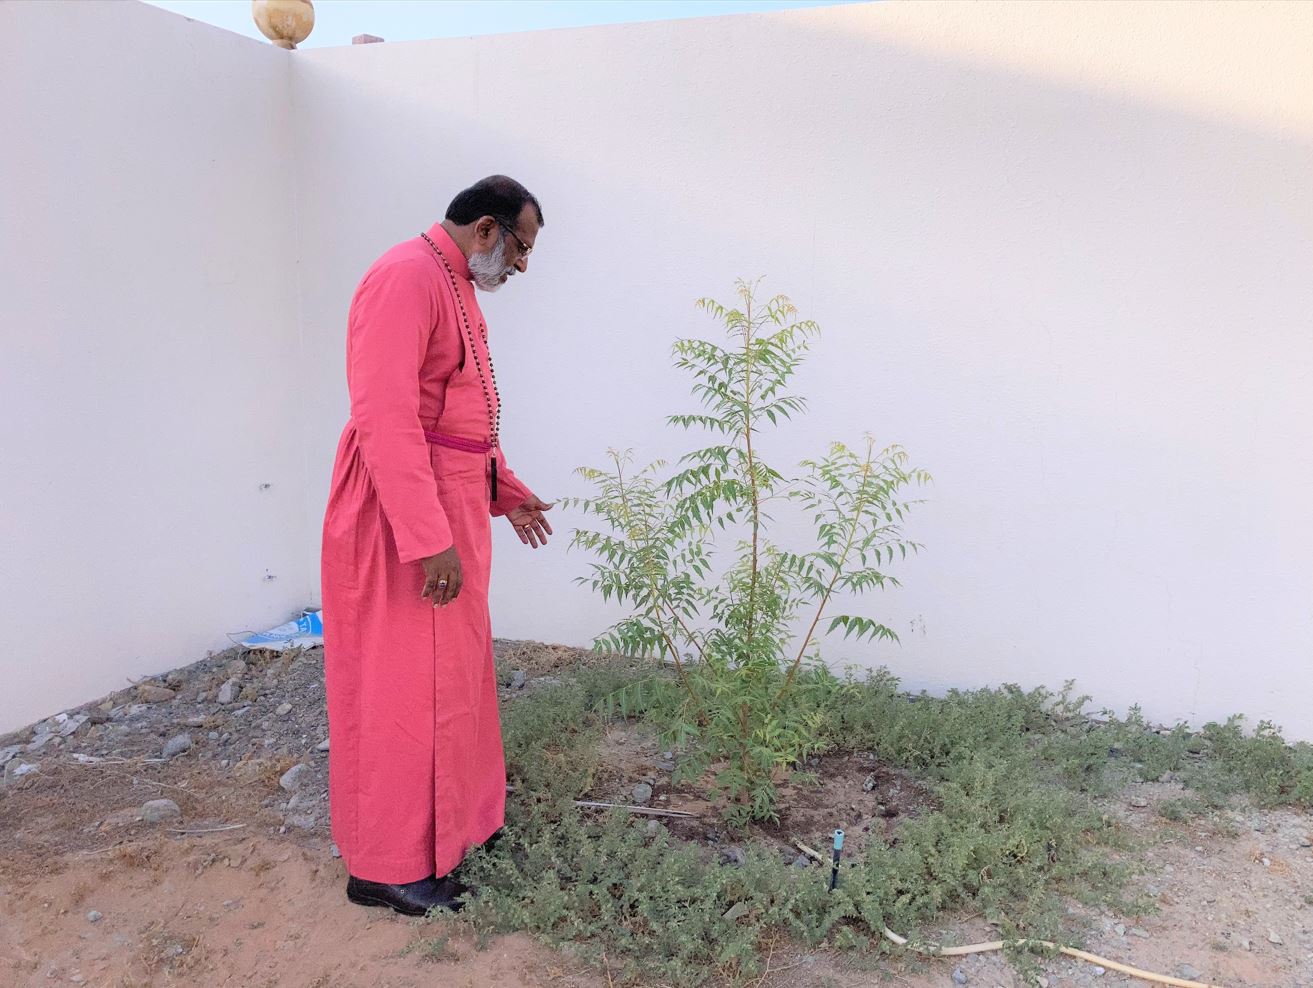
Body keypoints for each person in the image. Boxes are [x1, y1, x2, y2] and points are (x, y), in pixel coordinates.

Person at [321, 175, 554, 915]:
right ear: (486, 229)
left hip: (445, 505)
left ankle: (454, 833)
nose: (521, 267)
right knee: (400, 691)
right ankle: (386, 866)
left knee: (453, 685)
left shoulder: (455, 286)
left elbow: (462, 418)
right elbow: (387, 421)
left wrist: (505, 492)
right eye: (520, 248)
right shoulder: (404, 278)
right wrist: (429, 540)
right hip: (401, 517)